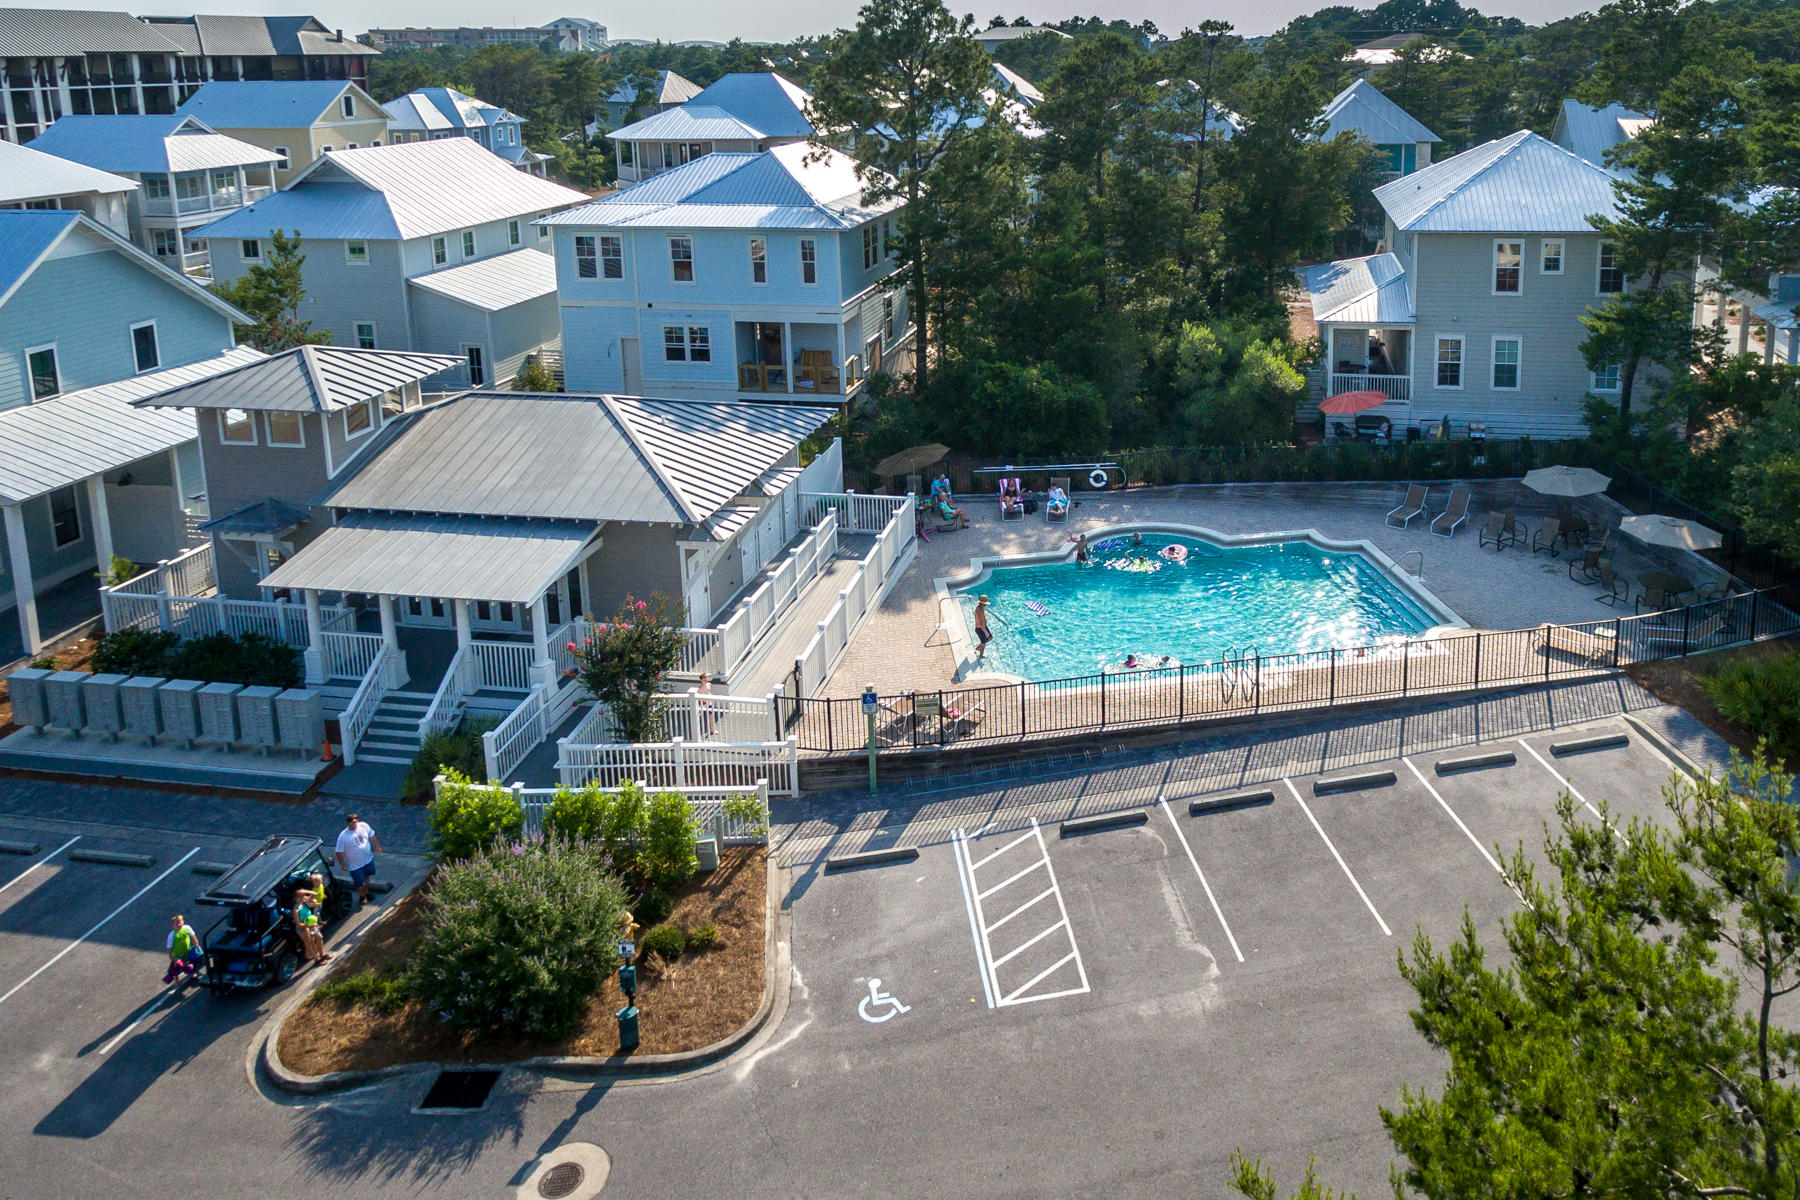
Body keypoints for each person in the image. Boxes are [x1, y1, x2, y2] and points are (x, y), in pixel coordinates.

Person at [334, 813, 382, 908]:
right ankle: (362, 896)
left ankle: (367, 891)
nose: (354, 824)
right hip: (355, 865)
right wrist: (343, 864)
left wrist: (377, 846)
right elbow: (338, 852)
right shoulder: (343, 837)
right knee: (359, 882)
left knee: (367, 876)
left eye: (355, 822)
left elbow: (372, 837)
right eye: (352, 823)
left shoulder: (364, 826)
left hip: (368, 859)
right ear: (348, 824)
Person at [292, 880, 333, 964]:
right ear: (296, 898)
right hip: (303, 928)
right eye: (300, 896)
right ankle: (317, 959)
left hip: (311, 924)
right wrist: (308, 926)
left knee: (319, 937)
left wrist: (305, 892)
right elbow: (298, 923)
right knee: (309, 943)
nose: (302, 897)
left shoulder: (304, 902)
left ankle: (322, 954)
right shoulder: (295, 909)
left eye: (303, 895)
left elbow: (315, 894)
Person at [164, 914, 204, 984]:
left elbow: (193, 936)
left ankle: (191, 973)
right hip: (177, 955)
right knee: (176, 968)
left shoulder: (187, 928)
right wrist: (172, 958)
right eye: (177, 923)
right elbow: (169, 949)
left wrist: (196, 945)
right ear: (173, 925)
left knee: (190, 962)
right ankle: (177, 980)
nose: (179, 924)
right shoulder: (172, 935)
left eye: (180, 921)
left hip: (187, 951)